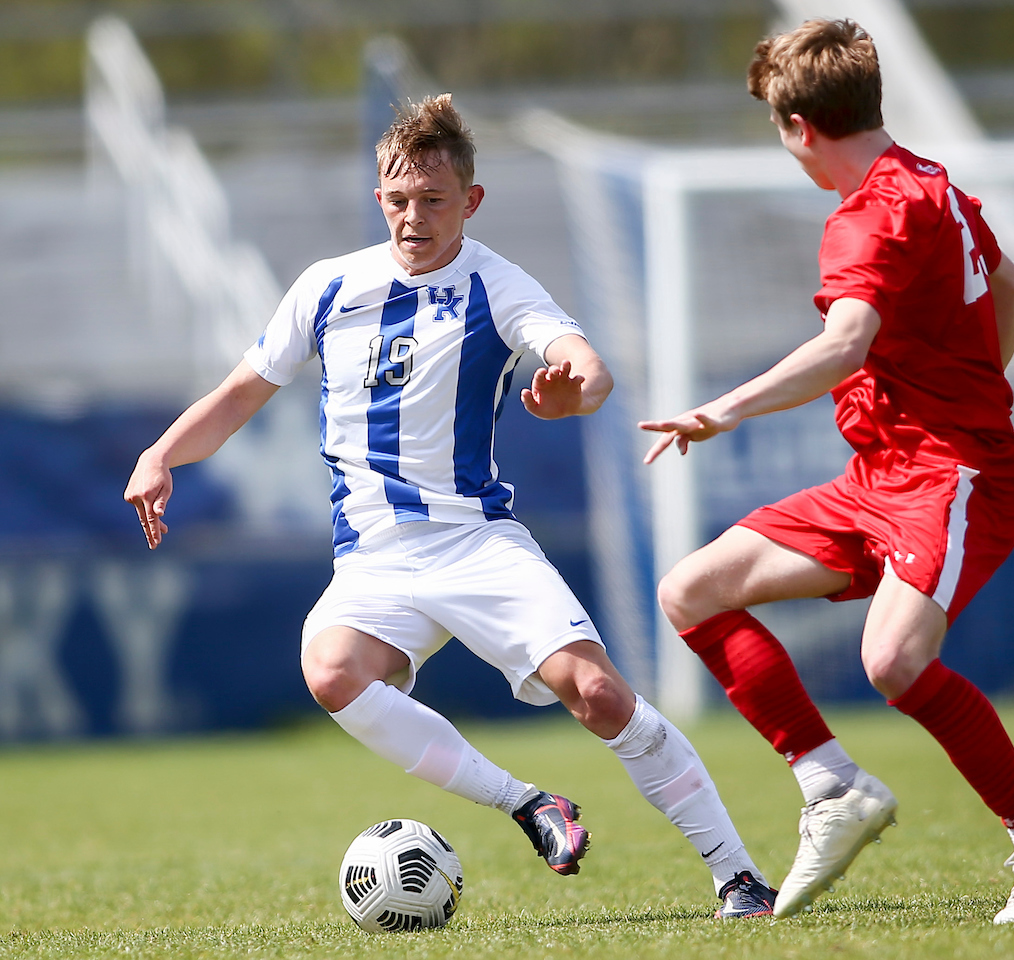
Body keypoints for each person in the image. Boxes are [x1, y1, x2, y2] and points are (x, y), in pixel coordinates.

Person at [124, 94, 775, 920]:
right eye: (399, 200)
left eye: (434, 200)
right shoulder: (328, 287)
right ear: (379, 200)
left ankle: (739, 876)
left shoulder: (496, 283)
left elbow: (587, 365)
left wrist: (576, 389)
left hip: (476, 543)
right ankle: (529, 804)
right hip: (372, 559)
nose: (414, 217)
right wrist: (158, 455)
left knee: (599, 695)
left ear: (470, 201)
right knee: (329, 671)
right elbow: (238, 393)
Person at [639, 20, 1014, 924]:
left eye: (776, 126)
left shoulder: (869, 215)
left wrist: (721, 410)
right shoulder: (933, 182)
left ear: (800, 126)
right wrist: (973, 383)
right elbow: (1013, 288)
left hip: (953, 475)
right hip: (882, 473)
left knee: (893, 660)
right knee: (694, 589)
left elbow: (845, 344)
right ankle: (830, 784)